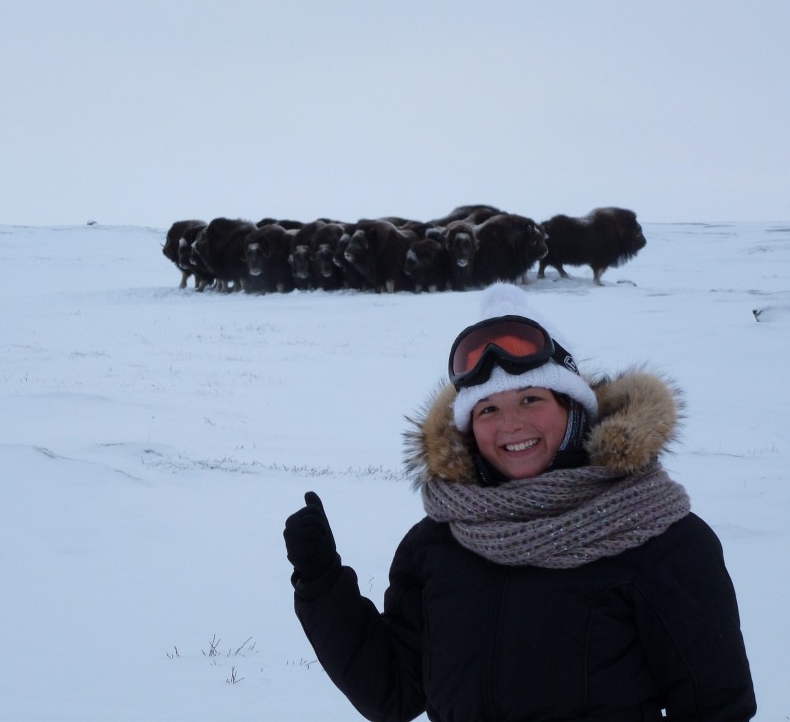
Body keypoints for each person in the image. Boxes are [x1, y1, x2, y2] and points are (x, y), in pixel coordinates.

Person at [283, 284, 756, 722]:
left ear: (573, 410)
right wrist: (322, 585)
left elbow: (716, 707)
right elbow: (394, 692)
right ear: (469, 430)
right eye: (488, 409)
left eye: (530, 399)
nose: (510, 424)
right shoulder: (438, 543)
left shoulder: (661, 540)